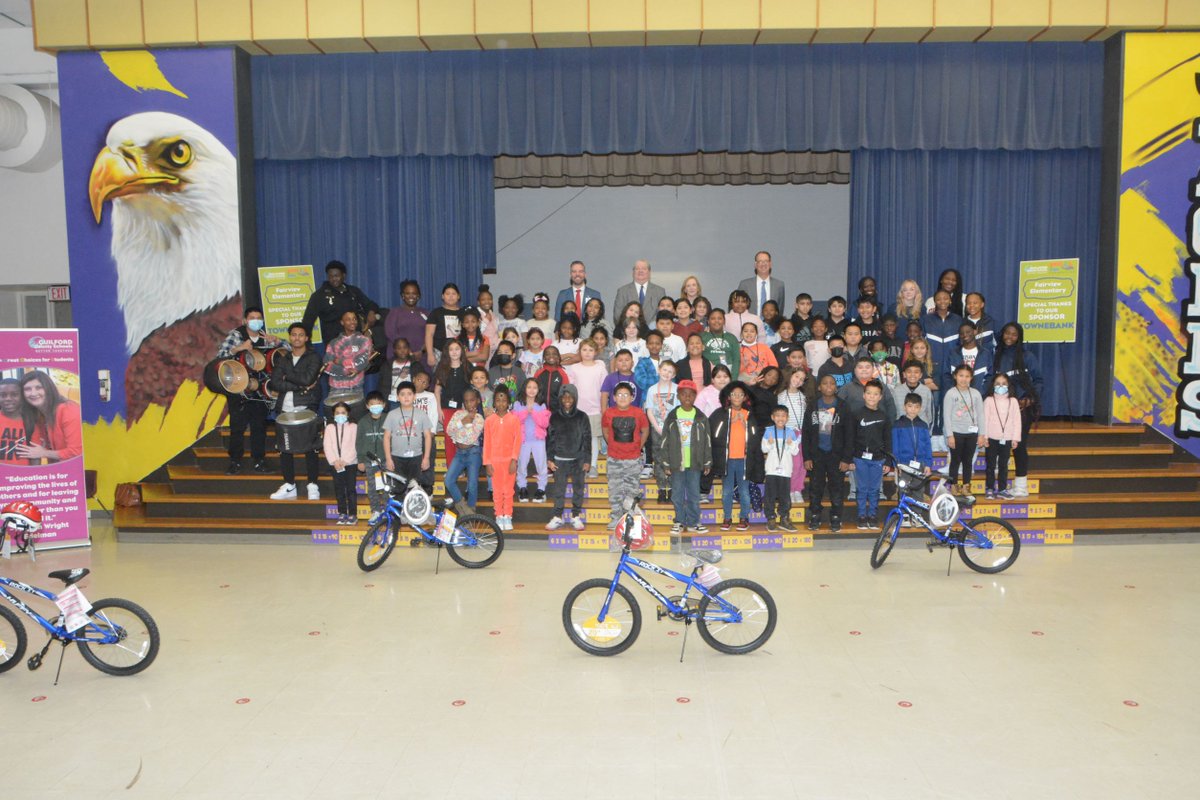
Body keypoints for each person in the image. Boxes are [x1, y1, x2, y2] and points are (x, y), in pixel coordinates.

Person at [216, 305, 283, 474]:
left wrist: (278, 342)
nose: (256, 321)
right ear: (245, 320)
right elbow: (220, 357)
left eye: (258, 318)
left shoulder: (265, 337)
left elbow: (288, 351)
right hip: (238, 389)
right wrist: (238, 349)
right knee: (237, 426)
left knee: (259, 426)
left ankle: (259, 460)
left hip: (260, 390)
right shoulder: (237, 335)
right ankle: (235, 461)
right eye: (252, 318)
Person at [268, 324, 323, 501]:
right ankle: (289, 485)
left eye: (301, 335)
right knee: (284, 448)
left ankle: (312, 485)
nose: (297, 338)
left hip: (306, 407)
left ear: (307, 338)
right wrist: (300, 385)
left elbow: (309, 378)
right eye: (293, 335)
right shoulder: (283, 359)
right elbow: (275, 383)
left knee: (310, 447)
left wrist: (288, 376)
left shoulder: (314, 357)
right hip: (285, 408)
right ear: (290, 337)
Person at [992, 322, 1043, 497]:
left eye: (1014, 334)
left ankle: (1021, 485)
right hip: (1000, 409)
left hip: (1022, 409)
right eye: (1007, 333)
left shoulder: (1028, 356)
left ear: (1019, 337)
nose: (1010, 337)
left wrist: (1029, 399)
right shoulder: (996, 355)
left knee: (1019, 445)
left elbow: (1039, 380)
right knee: (999, 443)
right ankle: (1000, 485)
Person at [658, 380, 711, 535]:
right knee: (677, 494)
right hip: (676, 463)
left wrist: (708, 461)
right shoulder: (672, 416)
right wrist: (666, 462)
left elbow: (707, 441)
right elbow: (665, 440)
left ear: (695, 396)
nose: (687, 397)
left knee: (694, 494)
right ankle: (679, 521)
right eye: (683, 394)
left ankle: (694, 522)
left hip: (695, 463)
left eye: (690, 394)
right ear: (679, 396)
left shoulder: (701, 417)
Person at [710, 381, 760, 532]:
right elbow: (714, 435)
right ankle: (727, 517)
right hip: (727, 460)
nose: (737, 397)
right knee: (727, 491)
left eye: (740, 394)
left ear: (745, 397)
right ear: (728, 397)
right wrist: (729, 422)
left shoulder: (749, 414)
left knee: (744, 491)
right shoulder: (721, 414)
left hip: (744, 461)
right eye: (734, 394)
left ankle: (744, 517)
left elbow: (755, 437)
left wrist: (745, 425)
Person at [803, 374, 851, 532]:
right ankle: (815, 515)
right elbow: (807, 433)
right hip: (817, 454)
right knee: (816, 487)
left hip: (836, 455)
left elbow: (849, 435)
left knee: (836, 487)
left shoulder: (843, 406)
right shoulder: (813, 405)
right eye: (825, 383)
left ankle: (836, 516)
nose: (829, 386)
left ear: (836, 387)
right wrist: (807, 456)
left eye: (832, 383)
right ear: (819, 387)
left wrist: (846, 458)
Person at [601, 382, 650, 530]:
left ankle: (630, 518)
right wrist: (611, 445)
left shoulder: (638, 413)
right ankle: (616, 517)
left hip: (633, 459)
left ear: (632, 397)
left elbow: (645, 430)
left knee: (632, 490)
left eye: (626, 395)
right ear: (614, 398)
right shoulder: (609, 413)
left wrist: (638, 447)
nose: (623, 397)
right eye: (619, 395)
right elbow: (605, 430)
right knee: (614, 490)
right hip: (614, 458)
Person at [301, 260, 381, 347]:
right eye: (330, 276)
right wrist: (306, 344)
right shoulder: (319, 296)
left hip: (356, 340)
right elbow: (307, 322)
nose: (333, 279)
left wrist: (371, 312)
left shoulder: (353, 291)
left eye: (336, 276)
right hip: (334, 343)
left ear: (344, 276)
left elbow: (370, 304)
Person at [545, 384, 591, 531]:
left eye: (570, 397)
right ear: (560, 399)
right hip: (559, 461)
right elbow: (550, 439)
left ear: (575, 398)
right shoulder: (555, 416)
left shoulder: (582, 416)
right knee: (559, 490)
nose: (567, 399)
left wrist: (587, 460)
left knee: (578, 489)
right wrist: (550, 458)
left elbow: (587, 438)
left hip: (578, 460)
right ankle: (557, 517)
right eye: (564, 397)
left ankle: (575, 516)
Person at [846, 380, 891, 530]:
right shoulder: (856, 415)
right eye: (869, 393)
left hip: (878, 459)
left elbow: (888, 440)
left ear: (880, 397)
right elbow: (850, 438)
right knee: (862, 488)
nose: (872, 396)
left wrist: (888, 462)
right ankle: (861, 516)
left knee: (874, 489)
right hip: (860, 458)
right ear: (864, 395)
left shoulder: (884, 416)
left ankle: (872, 515)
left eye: (876, 394)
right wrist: (849, 458)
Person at [15, 372, 83, 464]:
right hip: (57, 470)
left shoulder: (68, 410)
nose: (33, 393)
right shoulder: (38, 414)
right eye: (27, 389)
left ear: (49, 389)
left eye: (39, 388)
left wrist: (44, 453)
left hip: (78, 471)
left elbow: (77, 452)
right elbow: (35, 447)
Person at [944, 364, 987, 497]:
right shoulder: (951, 393)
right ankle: (953, 485)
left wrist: (981, 434)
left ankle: (967, 485)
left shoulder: (976, 394)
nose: (964, 379)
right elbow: (946, 415)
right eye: (961, 375)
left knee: (968, 461)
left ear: (971, 378)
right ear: (955, 376)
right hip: (956, 433)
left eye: (967, 376)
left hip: (971, 433)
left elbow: (981, 415)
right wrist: (949, 435)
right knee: (955, 461)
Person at [483, 386, 522, 532]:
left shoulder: (514, 420)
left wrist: (514, 460)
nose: (501, 403)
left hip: (508, 462)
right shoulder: (489, 421)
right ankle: (499, 515)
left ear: (508, 402)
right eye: (498, 400)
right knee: (497, 490)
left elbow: (517, 441)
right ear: (494, 402)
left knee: (508, 490)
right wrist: (487, 462)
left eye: (504, 400)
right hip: (494, 461)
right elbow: (486, 443)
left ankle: (508, 516)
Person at [383, 380, 433, 494]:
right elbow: (386, 437)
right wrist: (388, 458)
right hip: (397, 457)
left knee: (415, 488)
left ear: (414, 396)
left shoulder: (421, 414)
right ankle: (400, 511)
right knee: (398, 489)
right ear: (397, 397)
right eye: (402, 394)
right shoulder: (392, 414)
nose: (406, 397)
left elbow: (427, 436)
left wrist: (426, 458)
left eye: (409, 394)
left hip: (416, 457)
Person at [444, 387, 486, 515]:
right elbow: (449, 430)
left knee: (472, 483)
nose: (469, 404)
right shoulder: (458, 415)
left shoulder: (479, 418)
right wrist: (463, 422)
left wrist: (462, 426)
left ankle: (471, 508)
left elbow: (471, 437)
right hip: (459, 453)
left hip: (473, 453)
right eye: (466, 401)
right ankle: (462, 505)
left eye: (472, 400)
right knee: (448, 480)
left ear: (478, 401)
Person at [761, 404, 801, 532]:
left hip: (786, 469)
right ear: (772, 417)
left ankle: (784, 518)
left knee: (785, 496)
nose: (780, 418)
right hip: (772, 469)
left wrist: (790, 444)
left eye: (783, 416)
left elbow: (795, 452)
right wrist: (770, 443)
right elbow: (764, 449)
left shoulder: (790, 432)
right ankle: (771, 519)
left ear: (787, 418)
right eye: (777, 416)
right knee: (770, 495)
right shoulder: (768, 431)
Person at [983, 374, 1022, 499]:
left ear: (1009, 385)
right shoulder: (989, 400)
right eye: (997, 384)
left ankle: (1002, 489)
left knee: (1003, 465)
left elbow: (1017, 421)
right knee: (990, 464)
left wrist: (1015, 438)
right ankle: (989, 488)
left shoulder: (1013, 401)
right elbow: (985, 420)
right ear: (993, 386)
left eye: (1004, 383)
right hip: (991, 439)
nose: (1001, 386)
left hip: (1007, 438)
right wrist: (985, 437)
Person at [513, 378, 551, 504]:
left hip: (538, 440)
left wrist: (533, 412)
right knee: (522, 465)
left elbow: (544, 423)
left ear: (538, 390)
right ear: (524, 388)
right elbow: (514, 421)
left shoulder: (541, 405)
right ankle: (522, 488)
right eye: (529, 387)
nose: (532, 390)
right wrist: (525, 412)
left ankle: (541, 489)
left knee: (541, 465)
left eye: (535, 387)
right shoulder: (518, 404)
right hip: (523, 440)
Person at [323, 401, 358, 525]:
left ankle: (353, 514)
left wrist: (346, 460)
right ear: (333, 414)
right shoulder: (329, 427)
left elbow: (355, 445)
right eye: (337, 413)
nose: (340, 415)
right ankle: (342, 512)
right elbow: (327, 445)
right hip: (336, 464)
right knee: (339, 489)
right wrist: (334, 461)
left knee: (350, 489)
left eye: (343, 412)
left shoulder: (353, 427)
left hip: (350, 463)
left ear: (348, 414)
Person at [323, 310, 374, 395]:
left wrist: (340, 361)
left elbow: (361, 363)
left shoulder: (364, 340)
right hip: (335, 388)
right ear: (342, 322)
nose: (352, 322)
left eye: (354, 319)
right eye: (348, 319)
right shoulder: (333, 343)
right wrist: (346, 370)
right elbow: (327, 365)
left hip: (356, 387)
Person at [778, 367, 808, 505]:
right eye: (796, 377)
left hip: (801, 434)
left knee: (801, 464)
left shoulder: (803, 397)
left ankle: (798, 489)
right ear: (790, 376)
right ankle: (789, 489)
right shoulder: (781, 396)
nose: (798, 381)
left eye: (802, 379)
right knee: (791, 464)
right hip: (787, 434)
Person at [355, 391, 389, 516]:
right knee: (372, 486)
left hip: (386, 459)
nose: (375, 406)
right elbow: (359, 442)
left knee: (388, 486)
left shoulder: (388, 419)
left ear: (384, 404)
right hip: (369, 461)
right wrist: (360, 460)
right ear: (367, 406)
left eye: (378, 403)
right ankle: (375, 510)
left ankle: (386, 509)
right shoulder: (363, 422)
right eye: (372, 404)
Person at [384, 280, 428, 363]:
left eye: (414, 293)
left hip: (421, 357)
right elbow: (390, 333)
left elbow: (430, 334)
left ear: (418, 296)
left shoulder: (426, 313)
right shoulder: (394, 312)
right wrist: (406, 351)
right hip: (399, 358)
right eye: (408, 293)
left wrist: (422, 351)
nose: (411, 296)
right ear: (403, 296)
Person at [892, 393, 934, 479]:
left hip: (921, 464)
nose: (913, 409)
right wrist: (897, 464)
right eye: (910, 406)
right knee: (904, 491)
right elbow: (895, 447)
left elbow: (928, 446)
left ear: (920, 408)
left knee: (918, 491)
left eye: (916, 407)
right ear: (904, 407)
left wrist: (928, 464)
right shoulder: (897, 425)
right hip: (903, 464)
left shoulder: (923, 425)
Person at [612, 260, 666, 326]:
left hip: (652, 332)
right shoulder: (622, 291)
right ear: (633, 272)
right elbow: (617, 316)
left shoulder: (660, 291)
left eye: (644, 268)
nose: (640, 271)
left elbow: (663, 315)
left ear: (649, 272)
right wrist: (631, 328)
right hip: (629, 332)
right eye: (637, 269)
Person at [944, 321, 993, 393]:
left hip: (978, 396)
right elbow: (946, 375)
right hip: (958, 396)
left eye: (968, 332)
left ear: (975, 331)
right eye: (961, 333)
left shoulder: (985, 353)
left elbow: (990, 376)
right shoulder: (953, 354)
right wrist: (955, 391)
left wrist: (981, 392)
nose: (965, 335)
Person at [410, 371, 439, 493]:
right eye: (419, 380)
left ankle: (428, 487)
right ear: (413, 379)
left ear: (427, 386)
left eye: (424, 382)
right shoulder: (408, 395)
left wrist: (432, 431)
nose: (420, 383)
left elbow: (433, 413)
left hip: (426, 433)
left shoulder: (430, 396)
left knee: (428, 459)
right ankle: (413, 485)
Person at [424, 282, 463, 370]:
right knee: (440, 380)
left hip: (459, 352)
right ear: (442, 296)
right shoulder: (436, 312)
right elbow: (429, 335)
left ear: (458, 296)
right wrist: (430, 354)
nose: (451, 296)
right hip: (439, 352)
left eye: (453, 294)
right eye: (447, 294)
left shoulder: (463, 313)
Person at [737, 250, 786, 315]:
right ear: (755, 265)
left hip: (772, 324)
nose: (763, 264)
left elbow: (780, 309)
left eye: (766, 261)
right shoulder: (745, 285)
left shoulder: (779, 285)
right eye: (760, 261)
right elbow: (738, 307)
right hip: (750, 324)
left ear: (770, 264)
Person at [383, 338, 424, 409]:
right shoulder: (387, 365)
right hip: (394, 401)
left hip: (411, 400)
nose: (402, 350)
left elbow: (422, 383)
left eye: (405, 347)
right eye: (399, 348)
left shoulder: (416, 365)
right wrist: (385, 401)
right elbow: (383, 385)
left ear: (409, 349)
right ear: (394, 350)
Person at [892, 361, 934, 426]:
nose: (912, 375)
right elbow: (893, 413)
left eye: (916, 372)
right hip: (902, 429)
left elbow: (930, 414)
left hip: (921, 430)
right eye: (909, 372)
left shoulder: (926, 391)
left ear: (920, 375)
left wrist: (928, 431)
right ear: (904, 374)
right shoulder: (896, 391)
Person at [701, 308, 740, 376]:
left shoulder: (732, 338)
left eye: (720, 318)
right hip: (707, 373)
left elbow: (736, 360)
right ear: (708, 321)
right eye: (713, 318)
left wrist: (733, 380)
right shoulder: (701, 337)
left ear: (724, 321)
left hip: (728, 373)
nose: (716, 321)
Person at [0, 379, 30, 466]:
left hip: (21, 476)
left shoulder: (30, 423)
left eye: (14, 394)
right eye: (3, 395)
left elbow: (35, 456)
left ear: (22, 397)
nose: (8, 399)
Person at [633, 331, 666, 400]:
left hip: (666, 399)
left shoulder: (667, 362)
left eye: (657, 343)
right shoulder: (642, 362)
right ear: (646, 345)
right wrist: (663, 380)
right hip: (648, 399)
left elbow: (672, 381)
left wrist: (654, 379)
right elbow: (642, 382)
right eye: (651, 343)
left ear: (662, 345)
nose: (654, 346)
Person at [476, 285, 500, 357]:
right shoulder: (476, 314)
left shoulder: (494, 315)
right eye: (483, 300)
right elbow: (477, 332)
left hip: (495, 350)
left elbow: (497, 332)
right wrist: (486, 320)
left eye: (489, 299)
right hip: (483, 349)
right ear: (478, 302)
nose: (487, 301)